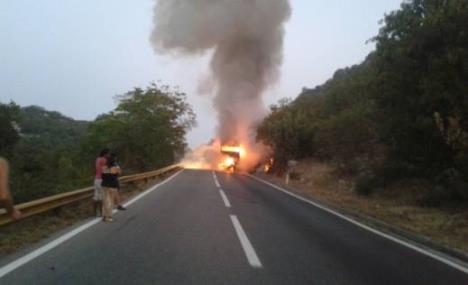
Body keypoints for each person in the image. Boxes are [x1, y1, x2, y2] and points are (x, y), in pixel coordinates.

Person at [101, 154, 121, 222]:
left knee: (105, 201)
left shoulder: (104, 167)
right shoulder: (115, 167)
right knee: (111, 202)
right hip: (113, 185)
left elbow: (102, 177)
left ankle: (104, 216)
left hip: (104, 185)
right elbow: (119, 173)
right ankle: (109, 217)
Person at [94, 148, 109, 217]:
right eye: (108, 153)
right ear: (105, 154)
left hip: (96, 179)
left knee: (96, 196)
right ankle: (101, 212)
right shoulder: (104, 160)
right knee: (102, 197)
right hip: (102, 179)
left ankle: (94, 213)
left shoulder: (98, 159)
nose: (108, 155)